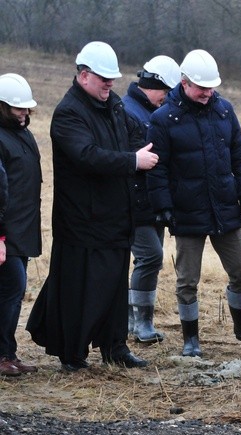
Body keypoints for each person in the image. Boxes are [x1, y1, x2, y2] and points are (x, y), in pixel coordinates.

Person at [26, 41, 158, 371]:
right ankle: (72, 355)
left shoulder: (112, 105)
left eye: (112, 79)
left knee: (114, 285)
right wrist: (133, 161)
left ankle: (115, 347)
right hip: (81, 221)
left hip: (115, 216)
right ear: (84, 76)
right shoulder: (69, 113)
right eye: (103, 78)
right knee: (79, 288)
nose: (110, 84)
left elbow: (130, 137)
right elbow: (86, 156)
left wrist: (144, 150)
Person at [146, 49, 241, 357]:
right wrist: (164, 206)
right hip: (186, 210)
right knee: (187, 280)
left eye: (211, 87)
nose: (207, 93)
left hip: (225, 206)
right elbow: (156, 168)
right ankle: (191, 340)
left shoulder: (225, 110)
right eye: (201, 87)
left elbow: (239, 155)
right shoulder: (163, 119)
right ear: (184, 83)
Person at [123, 55, 181, 344]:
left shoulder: (146, 110)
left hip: (153, 201)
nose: (168, 98)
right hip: (136, 203)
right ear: (153, 84)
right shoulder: (129, 112)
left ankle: (134, 321)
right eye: (166, 91)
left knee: (148, 260)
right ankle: (138, 321)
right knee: (150, 257)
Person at [0, 73, 41, 376]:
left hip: (21, 229)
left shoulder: (21, 133)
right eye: (18, 108)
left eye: (27, 108)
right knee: (13, 288)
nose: (25, 113)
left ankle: (8, 353)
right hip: (6, 232)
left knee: (13, 292)